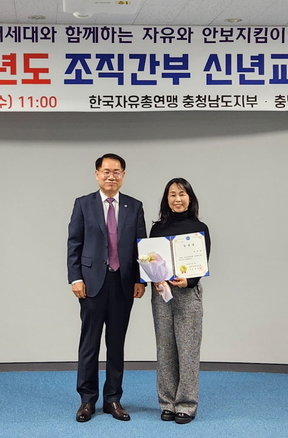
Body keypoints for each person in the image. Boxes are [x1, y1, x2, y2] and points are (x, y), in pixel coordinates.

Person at [67, 153, 147, 423]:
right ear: (97, 174)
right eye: (106, 171)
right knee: (89, 344)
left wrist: (141, 279)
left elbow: (140, 246)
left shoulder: (134, 206)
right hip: (91, 283)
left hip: (123, 283)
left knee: (116, 344)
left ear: (123, 175)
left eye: (117, 172)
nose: (111, 176)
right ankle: (87, 400)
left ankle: (113, 398)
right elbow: (74, 243)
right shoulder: (83, 204)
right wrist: (75, 278)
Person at [149, 177, 210, 425]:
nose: (177, 199)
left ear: (190, 198)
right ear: (166, 199)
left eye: (182, 194)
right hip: (162, 294)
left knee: (187, 350)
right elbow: (150, 260)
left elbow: (203, 262)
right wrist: (154, 278)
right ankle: (167, 403)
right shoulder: (157, 230)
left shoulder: (200, 228)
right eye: (172, 194)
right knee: (165, 349)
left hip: (187, 294)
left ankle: (186, 404)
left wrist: (189, 281)